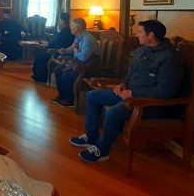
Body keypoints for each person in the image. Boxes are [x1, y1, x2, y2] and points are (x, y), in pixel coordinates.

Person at [69, 20, 184, 163]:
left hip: (147, 104)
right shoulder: (142, 50)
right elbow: (132, 73)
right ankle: (91, 137)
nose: (137, 35)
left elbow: (164, 91)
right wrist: (123, 83)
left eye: (140, 32)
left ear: (151, 36)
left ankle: (103, 150)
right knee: (92, 96)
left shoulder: (169, 59)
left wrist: (133, 93)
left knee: (113, 112)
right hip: (129, 94)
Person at [51, 18, 99, 107]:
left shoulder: (88, 39)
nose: (70, 28)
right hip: (78, 65)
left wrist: (75, 49)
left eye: (72, 26)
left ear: (78, 27)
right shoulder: (78, 36)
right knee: (58, 70)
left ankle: (70, 101)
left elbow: (83, 58)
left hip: (88, 68)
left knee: (66, 75)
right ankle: (62, 97)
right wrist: (65, 51)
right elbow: (73, 47)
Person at [31, 12, 75, 83]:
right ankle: (37, 75)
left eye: (60, 20)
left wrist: (48, 44)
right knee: (38, 53)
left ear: (63, 22)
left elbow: (60, 44)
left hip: (59, 52)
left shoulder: (66, 32)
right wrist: (47, 43)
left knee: (41, 57)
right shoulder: (63, 30)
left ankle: (41, 78)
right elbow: (56, 41)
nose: (58, 21)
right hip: (56, 49)